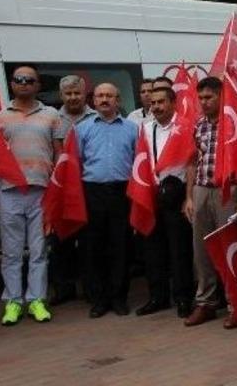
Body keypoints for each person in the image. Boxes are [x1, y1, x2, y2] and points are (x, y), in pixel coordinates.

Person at [0, 65, 62, 326]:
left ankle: (36, 300)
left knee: (38, 251)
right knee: (11, 253)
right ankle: (13, 301)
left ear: (37, 85)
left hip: (41, 191)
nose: (24, 83)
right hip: (11, 191)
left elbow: (58, 153)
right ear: (12, 84)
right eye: (19, 80)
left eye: (29, 80)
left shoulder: (51, 114)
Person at [183, 76, 237, 329]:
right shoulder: (199, 125)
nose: (204, 102)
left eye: (209, 97)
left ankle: (235, 304)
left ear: (221, 97)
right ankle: (206, 302)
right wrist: (188, 196)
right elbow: (192, 161)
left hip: (226, 192)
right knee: (202, 250)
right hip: (201, 190)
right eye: (201, 98)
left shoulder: (234, 125)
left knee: (230, 248)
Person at [75, 83, 138, 319]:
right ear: (93, 100)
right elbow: (77, 161)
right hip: (93, 191)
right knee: (95, 247)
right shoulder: (82, 129)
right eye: (100, 95)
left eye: (109, 96)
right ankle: (100, 299)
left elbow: (137, 160)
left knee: (121, 247)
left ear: (118, 100)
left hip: (122, 192)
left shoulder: (132, 129)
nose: (104, 100)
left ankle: (119, 298)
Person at [136, 87, 195, 319]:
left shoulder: (185, 127)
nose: (157, 107)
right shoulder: (145, 128)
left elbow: (192, 162)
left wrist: (188, 197)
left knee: (179, 249)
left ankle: (183, 298)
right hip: (151, 192)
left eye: (161, 102)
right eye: (153, 103)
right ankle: (157, 297)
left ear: (173, 103)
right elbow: (141, 159)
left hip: (177, 192)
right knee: (152, 248)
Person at [48, 75, 96, 308]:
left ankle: (90, 287)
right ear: (61, 95)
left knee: (89, 243)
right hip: (61, 188)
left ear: (84, 93)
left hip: (88, 187)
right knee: (60, 241)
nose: (73, 97)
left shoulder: (96, 118)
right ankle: (63, 288)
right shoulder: (53, 119)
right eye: (68, 93)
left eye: (77, 93)